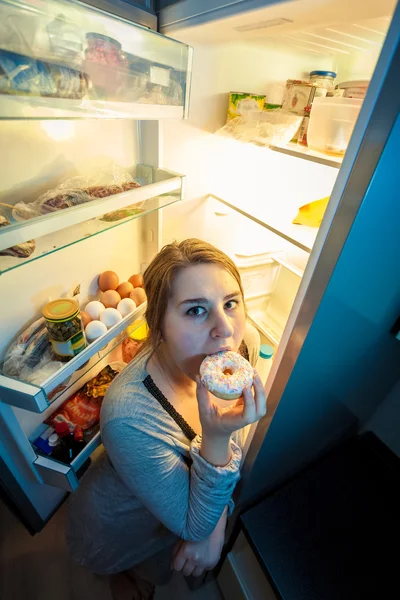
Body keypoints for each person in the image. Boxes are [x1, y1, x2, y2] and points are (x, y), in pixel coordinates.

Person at [66, 238, 267, 599]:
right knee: (132, 564)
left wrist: (212, 525)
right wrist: (208, 527)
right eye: (195, 310)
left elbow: (196, 520)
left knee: (162, 560)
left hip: (173, 513)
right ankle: (125, 577)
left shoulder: (239, 346)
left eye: (231, 303)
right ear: (157, 326)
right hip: (122, 517)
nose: (226, 330)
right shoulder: (127, 413)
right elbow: (194, 523)